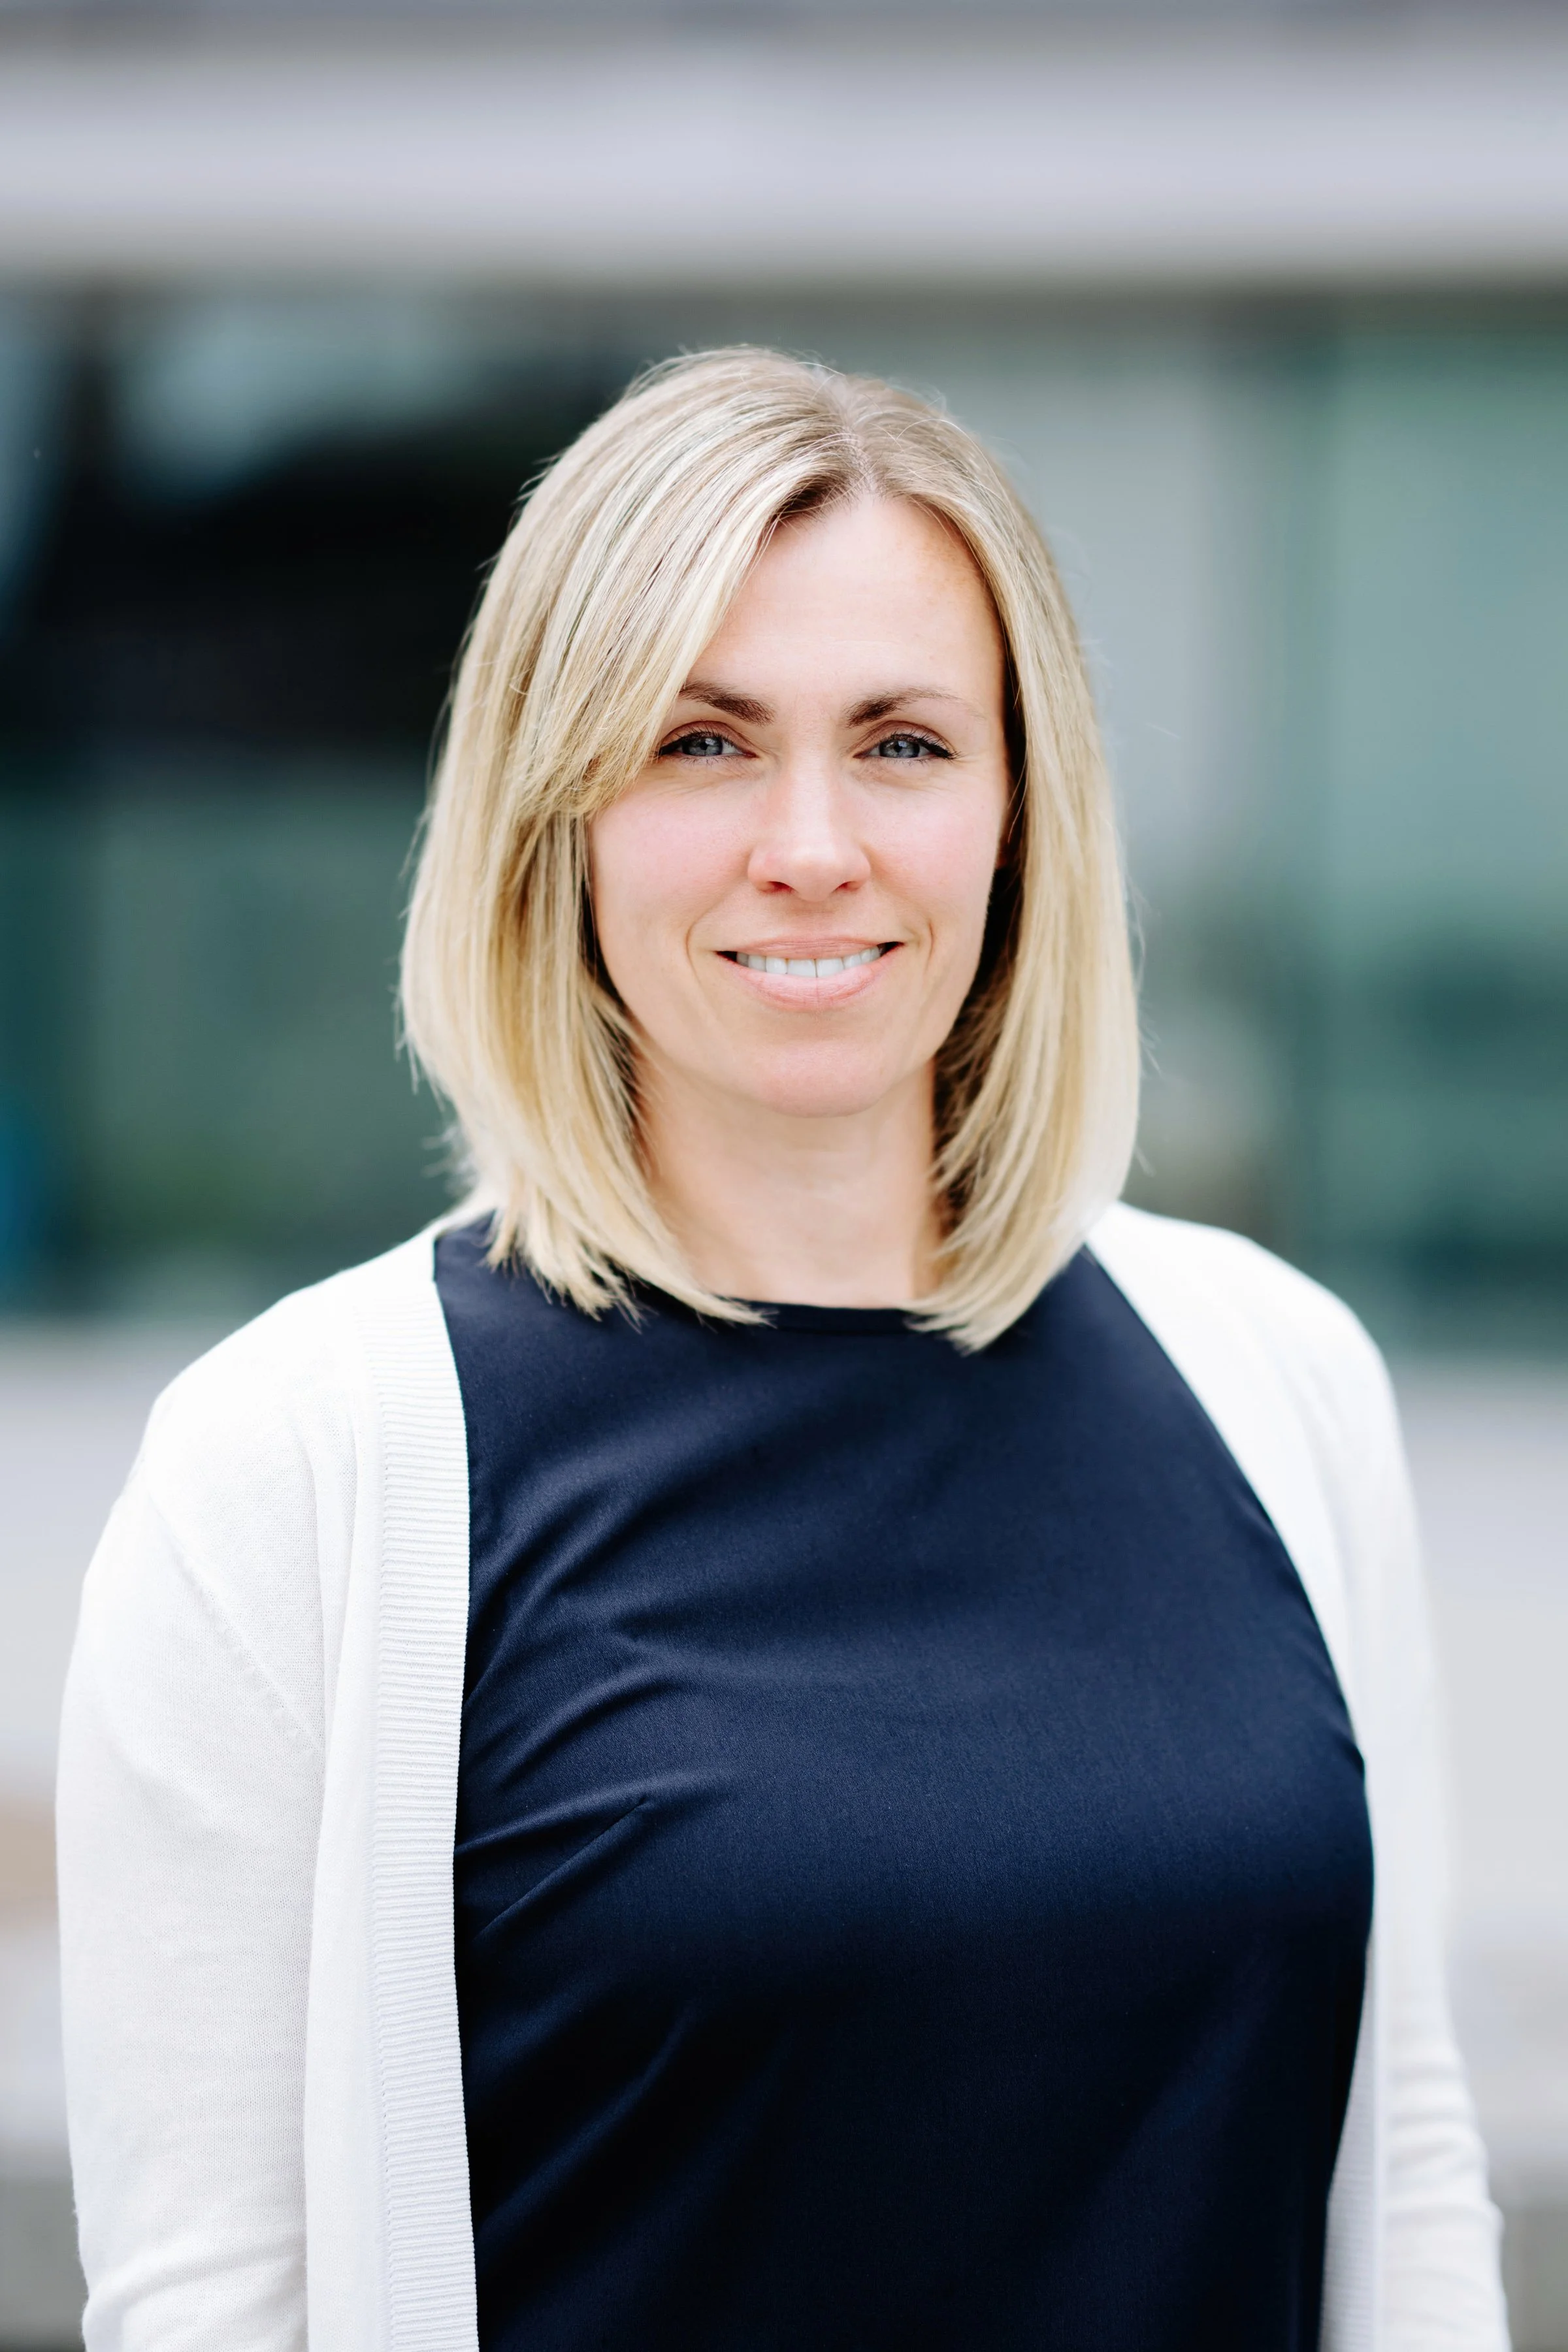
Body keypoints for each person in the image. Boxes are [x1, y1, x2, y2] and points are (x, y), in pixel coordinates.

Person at [57, 350, 1507, 2351]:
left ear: (1019, 813)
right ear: (556, 812)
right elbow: (214, 2301)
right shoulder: (299, 1468)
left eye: (903, 742)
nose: (812, 844)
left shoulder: (1279, 1379)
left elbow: (1403, 2151)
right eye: (703, 742)